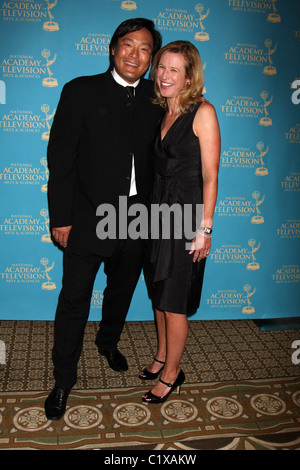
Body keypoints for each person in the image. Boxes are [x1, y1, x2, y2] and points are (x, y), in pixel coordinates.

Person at [44, 18, 163, 421]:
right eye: (128, 45)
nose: (135, 54)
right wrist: (61, 217)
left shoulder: (158, 97)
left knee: (121, 292)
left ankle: (108, 342)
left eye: (145, 48)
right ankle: (63, 380)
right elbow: (61, 161)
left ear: (152, 58)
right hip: (86, 215)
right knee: (74, 300)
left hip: (137, 219)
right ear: (113, 49)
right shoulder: (80, 91)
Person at [139, 41, 221, 404]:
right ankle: (161, 356)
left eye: (174, 69)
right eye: (161, 67)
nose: (164, 76)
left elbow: (211, 175)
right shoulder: (163, 113)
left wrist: (204, 229)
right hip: (157, 216)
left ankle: (173, 374)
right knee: (158, 294)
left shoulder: (203, 112)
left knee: (174, 301)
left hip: (186, 220)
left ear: (190, 78)